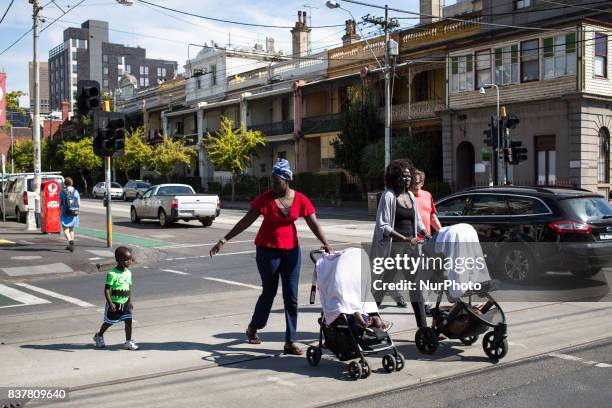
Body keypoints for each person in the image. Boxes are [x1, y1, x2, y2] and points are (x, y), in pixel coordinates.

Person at [210, 159, 331, 355]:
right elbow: (245, 221)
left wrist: (326, 243)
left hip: (292, 251)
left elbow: (314, 223)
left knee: (291, 297)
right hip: (267, 251)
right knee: (269, 292)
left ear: (286, 180)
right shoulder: (265, 199)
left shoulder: (300, 199)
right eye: (271, 181)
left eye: (276, 181)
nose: (272, 185)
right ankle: (253, 327)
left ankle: (290, 341)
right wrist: (224, 239)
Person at [370, 159, 430, 328]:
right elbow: (383, 226)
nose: (407, 179)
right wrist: (403, 238)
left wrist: (425, 233)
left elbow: (417, 221)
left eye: (409, 176)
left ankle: (423, 328)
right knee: (382, 287)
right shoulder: (388, 196)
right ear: (395, 177)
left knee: (415, 287)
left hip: (410, 249)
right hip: (393, 250)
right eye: (403, 176)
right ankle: (369, 320)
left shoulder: (410, 195)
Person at [93, 246, 139, 350]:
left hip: (125, 303)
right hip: (115, 304)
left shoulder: (128, 272)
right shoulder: (112, 274)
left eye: (130, 259)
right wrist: (110, 303)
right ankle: (99, 335)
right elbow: (106, 290)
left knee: (128, 321)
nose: (129, 262)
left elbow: (129, 287)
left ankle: (128, 341)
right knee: (109, 322)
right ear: (118, 260)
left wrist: (130, 301)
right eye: (126, 260)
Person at [411, 169, 442, 237]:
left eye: (415, 183)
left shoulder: (427, 195)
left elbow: (432, 217)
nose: (412, 185)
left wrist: (442, 233)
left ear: (422, 183)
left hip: (426, 240)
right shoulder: (406, 197)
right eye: (411, 182)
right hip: (412, 242)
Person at [59, 177, 80, 252]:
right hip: (74, 213)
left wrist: (59, 209)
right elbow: (79, 203)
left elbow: (60, 203)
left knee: (65, 229)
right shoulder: (76, 191)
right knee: (71, 229)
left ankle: (70, 241)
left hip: (65, 213)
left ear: (65, 183)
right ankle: (71, 244)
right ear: (72, 183)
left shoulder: (62, 192)